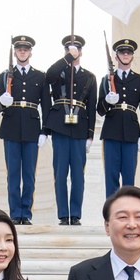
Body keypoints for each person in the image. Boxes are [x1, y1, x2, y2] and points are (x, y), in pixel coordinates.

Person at [0, 35, 50, 225]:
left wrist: (45, 131)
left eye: (26, 49)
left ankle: (26, 213)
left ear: (30, 52)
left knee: (28, 175)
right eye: (19, 49)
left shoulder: (40, 76)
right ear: (15, 52)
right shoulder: (5, 75)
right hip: (10, 127)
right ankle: (14, 213)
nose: (22, 52)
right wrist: (2, 102)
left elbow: (46, 106)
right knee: (13, 175)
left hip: (32, 128)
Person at [45, 34, 97, 225]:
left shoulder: (89, 77)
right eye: (69, 49)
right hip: (59, 126)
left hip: (80, 127)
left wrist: (90, 135)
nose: (73, 52)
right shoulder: (59, 72)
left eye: (76, 50)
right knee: (60, 174)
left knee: (78, 174)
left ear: (81, 52)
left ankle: (74, 214)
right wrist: (67, 59)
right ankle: (62, 214)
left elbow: (91, 106)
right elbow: (48, 76)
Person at [97, 38, 140, 198]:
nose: (125, 54)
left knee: (129, 178)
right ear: (116, 56)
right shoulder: (106, 80)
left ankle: (127, 211)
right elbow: (100, 110)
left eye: (128, 52)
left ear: (132, 56)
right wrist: (107, 101)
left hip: (131, 132)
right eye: (122, 52)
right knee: (111, 177)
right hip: (111, 132)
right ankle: (112, 213)